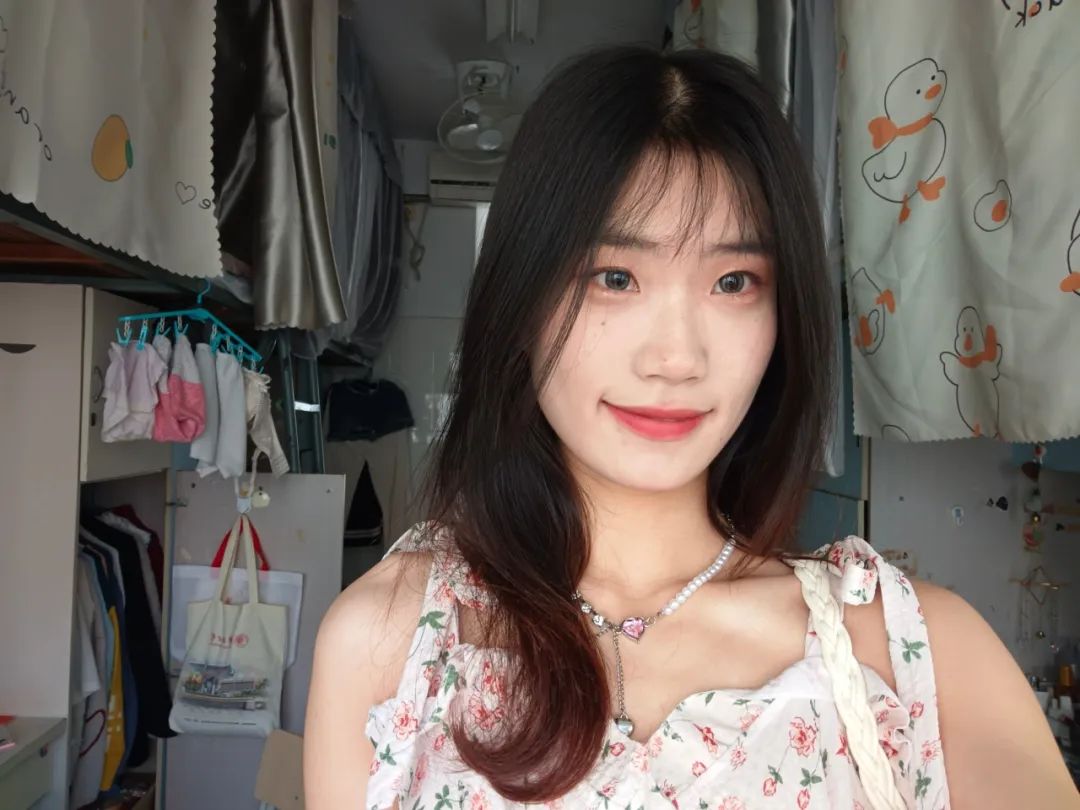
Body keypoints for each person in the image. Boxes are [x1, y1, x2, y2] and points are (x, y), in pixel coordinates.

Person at [305, 46, 1077, 809]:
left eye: (733, 282)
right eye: (615, 277)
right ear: (520, 304)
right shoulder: (392, 642)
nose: (676, 358)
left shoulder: (913, 653)